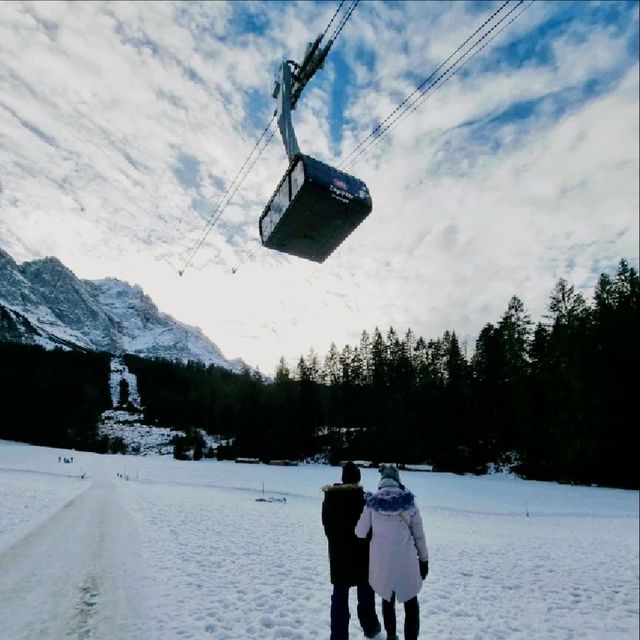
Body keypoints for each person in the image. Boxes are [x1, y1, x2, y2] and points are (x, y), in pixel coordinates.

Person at [355, 465, 429, 640]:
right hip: (407, 562)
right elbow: (419, 536)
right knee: (411, 603)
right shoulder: (409, 503)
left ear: (381, 482)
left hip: (382, 562)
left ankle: (391, 636)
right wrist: (424, 561)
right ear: (398, 481)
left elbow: (359, 532)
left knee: (387, 600)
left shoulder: (371, 504)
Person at [322, 461, 382, 640]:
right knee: (366, 594)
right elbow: (372, 530)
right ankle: (371, 629)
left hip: (338, 557)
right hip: (362, 556)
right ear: (358, 479)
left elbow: (327, 527)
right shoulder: (364, 500)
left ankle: (338, 636)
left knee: (340, 597)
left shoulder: (330, 499)